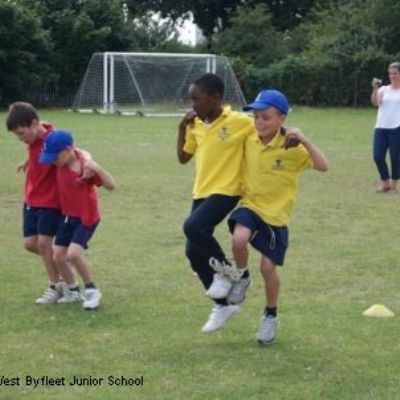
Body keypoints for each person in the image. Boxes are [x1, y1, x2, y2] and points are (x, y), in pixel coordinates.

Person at [208, 89, 329, 344]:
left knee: (267, 267)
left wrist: (305, 140)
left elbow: (323, 166)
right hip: (250, 206)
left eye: (266, 117)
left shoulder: (292, 147)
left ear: (282, 119)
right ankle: (241, 276)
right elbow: (225, 131)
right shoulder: (249, 138)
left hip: (276, 217)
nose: (259, 122)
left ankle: (270, 315)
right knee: (239, 239)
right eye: (256, 117)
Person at [177, 73, 255, 333]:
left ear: (215, 97)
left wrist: (289, 135)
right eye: (191, 99)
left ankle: (230, 274)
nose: (193, 105)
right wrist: (181, 128)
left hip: (228, 189)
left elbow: (267, 130)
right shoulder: (194, 123)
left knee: (193, 227)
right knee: (192, 252)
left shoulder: (240, 122)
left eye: (197, 99)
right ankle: (223, 305)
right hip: (202, 191)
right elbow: (183, 157)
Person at [39, 130, 116, 310]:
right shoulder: (61, 162)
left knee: (73, 254)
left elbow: (112, 186)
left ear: (67, 150)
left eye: (54, 157)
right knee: (57, 255)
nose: (52, 161)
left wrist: (96, 167)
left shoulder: (86, 168)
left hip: (86, 218)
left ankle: (92, 290)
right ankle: (73, 290)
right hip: (67, 216)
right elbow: (77, 149)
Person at [6, 102, 67, 304]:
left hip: (50, 200)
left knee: (43, 244)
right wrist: (27, 161)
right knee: (30, 244)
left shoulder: (53, 139)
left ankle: (55, 285)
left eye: (23, 134)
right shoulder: (33, 139)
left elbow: (70, 154)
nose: (22, 140)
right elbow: (34, 148)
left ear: (33, 123)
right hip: (31, 198)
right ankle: (63, 266)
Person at [371, 61, 400, 193]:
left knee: (395, 157)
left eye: (395, 73)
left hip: (397, 128)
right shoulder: (384, 89)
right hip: (381, 127)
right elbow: (375, 103)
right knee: (378, 156)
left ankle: (393, 185)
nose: (392, 76)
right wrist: (375, 88)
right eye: (390, 74)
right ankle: (385, 183)